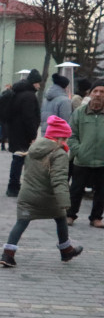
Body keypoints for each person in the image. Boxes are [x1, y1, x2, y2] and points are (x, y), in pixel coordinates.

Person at [0, 116, 83, 266]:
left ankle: (7, 255)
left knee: (21, 222)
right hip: (47, 197)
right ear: (59, 137)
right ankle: (66, 250)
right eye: (65, 138)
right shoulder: (59, 154)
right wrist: (65, 201)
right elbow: (59, 180)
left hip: (27, 195)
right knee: (61, 217)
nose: (66, 142)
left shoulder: (34, 148)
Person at [66, 80, 104, 228]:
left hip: (102, 160)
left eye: (102, 92)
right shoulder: (79, 113)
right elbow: (71, 135)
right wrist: (78, 150)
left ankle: (96, 218)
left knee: (101, 192)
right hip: (82, 159)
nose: (98, 94)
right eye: (96, 91)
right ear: (90, 93)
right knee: (76, 189)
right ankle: (70, 215)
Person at [6, 70, 42, 197]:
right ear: (33, 83)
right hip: (23, 133)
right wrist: (32, 134)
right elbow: (29, 117)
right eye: (38, 83)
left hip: (14, 131)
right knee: (19, 159)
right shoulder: (29, 96)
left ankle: (14, 185)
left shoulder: (17, 92)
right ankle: (13, 186)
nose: (39, 86)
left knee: (18, 158)